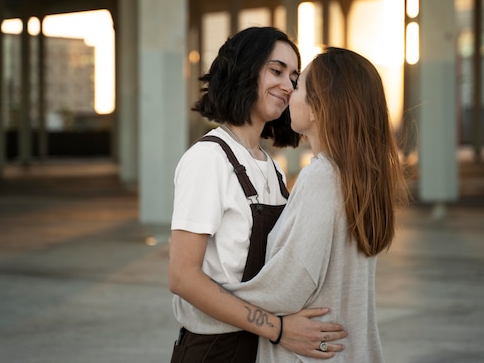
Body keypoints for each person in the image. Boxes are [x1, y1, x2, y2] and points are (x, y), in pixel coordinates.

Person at [168, 27, 347, 363]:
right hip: (216, 351)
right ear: (244, 70)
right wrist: (277, 328)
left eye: (294, 76)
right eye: (276, 71)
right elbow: (182, 277)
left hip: (264, 348)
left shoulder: (273, 169)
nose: (288, 85)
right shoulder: (208, 159)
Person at [223, 47, 410, 362]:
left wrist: (208, 298)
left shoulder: (321, 177)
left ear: (318, 109)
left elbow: (288, 287)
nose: (289, 93)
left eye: (298, 86)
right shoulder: (359, 178)